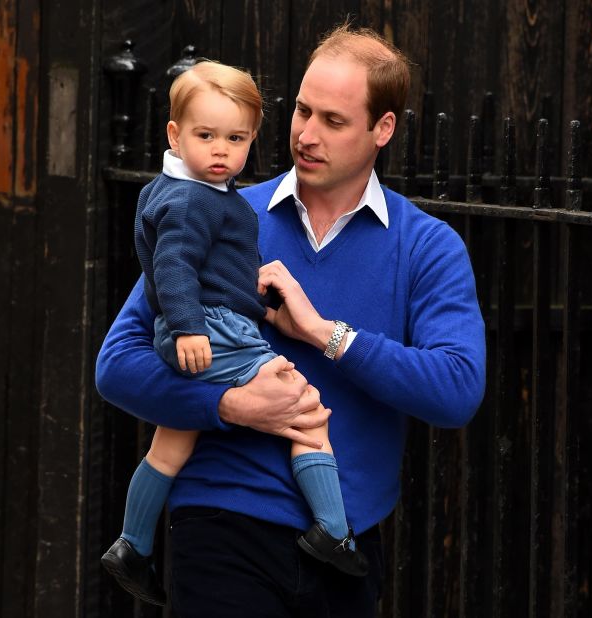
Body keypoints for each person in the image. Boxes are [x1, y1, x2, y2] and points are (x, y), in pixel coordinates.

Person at [96, 23, 486, 618]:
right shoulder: (221, 208)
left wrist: (326, 335)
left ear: (384, 129)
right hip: (221, 527)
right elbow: (116, 365)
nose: (305, 134)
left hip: (345, 547)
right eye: (302, 110)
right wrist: (229, 407)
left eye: (333, 120)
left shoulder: (427, 247)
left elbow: (457, 390)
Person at [100, 60, 367, 608]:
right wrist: (188, 329)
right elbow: (173, 265)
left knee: (171, 443)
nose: (222, 150)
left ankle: (132, 546)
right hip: (214, 333)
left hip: (213, 325)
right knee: (305, 407)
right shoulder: (196, 199)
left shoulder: (176, 192)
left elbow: (206, 269)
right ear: (175, 134)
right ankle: (333, 532)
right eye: (206, 136)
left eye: (237, 138)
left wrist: (260, 303)